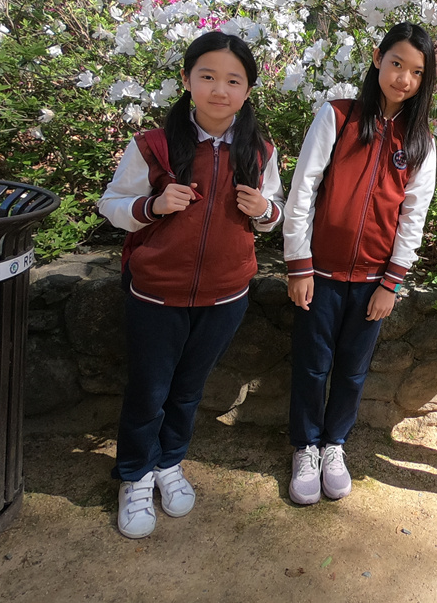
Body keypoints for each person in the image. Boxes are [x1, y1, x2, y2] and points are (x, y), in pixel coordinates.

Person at [98, 31, 284, 539]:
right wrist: (153, 206)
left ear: (248, 90)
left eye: (233, 81)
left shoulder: (260, 150)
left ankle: (168, 462)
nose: (220, 90)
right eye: (207, 76)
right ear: (186, 80)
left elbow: (275, 214)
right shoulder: (154, 145)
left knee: (187, 391)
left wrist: (264, 210)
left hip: (226, 296)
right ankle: (135, 475)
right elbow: (112, 204)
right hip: (156, 294)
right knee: (149, 392)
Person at [283, 22, 437, 505]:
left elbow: (413, 216)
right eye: (397, 64)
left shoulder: (420, 141)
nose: (404, 79)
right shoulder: (338, 116)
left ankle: (334, 444)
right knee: (312, 366)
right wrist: (298, 264)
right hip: (320, 275)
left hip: (373, 281)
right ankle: (306, 447)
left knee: (352, 370)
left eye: (417, 71)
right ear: (377, 59)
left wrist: (392, 283)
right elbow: (303, 189)